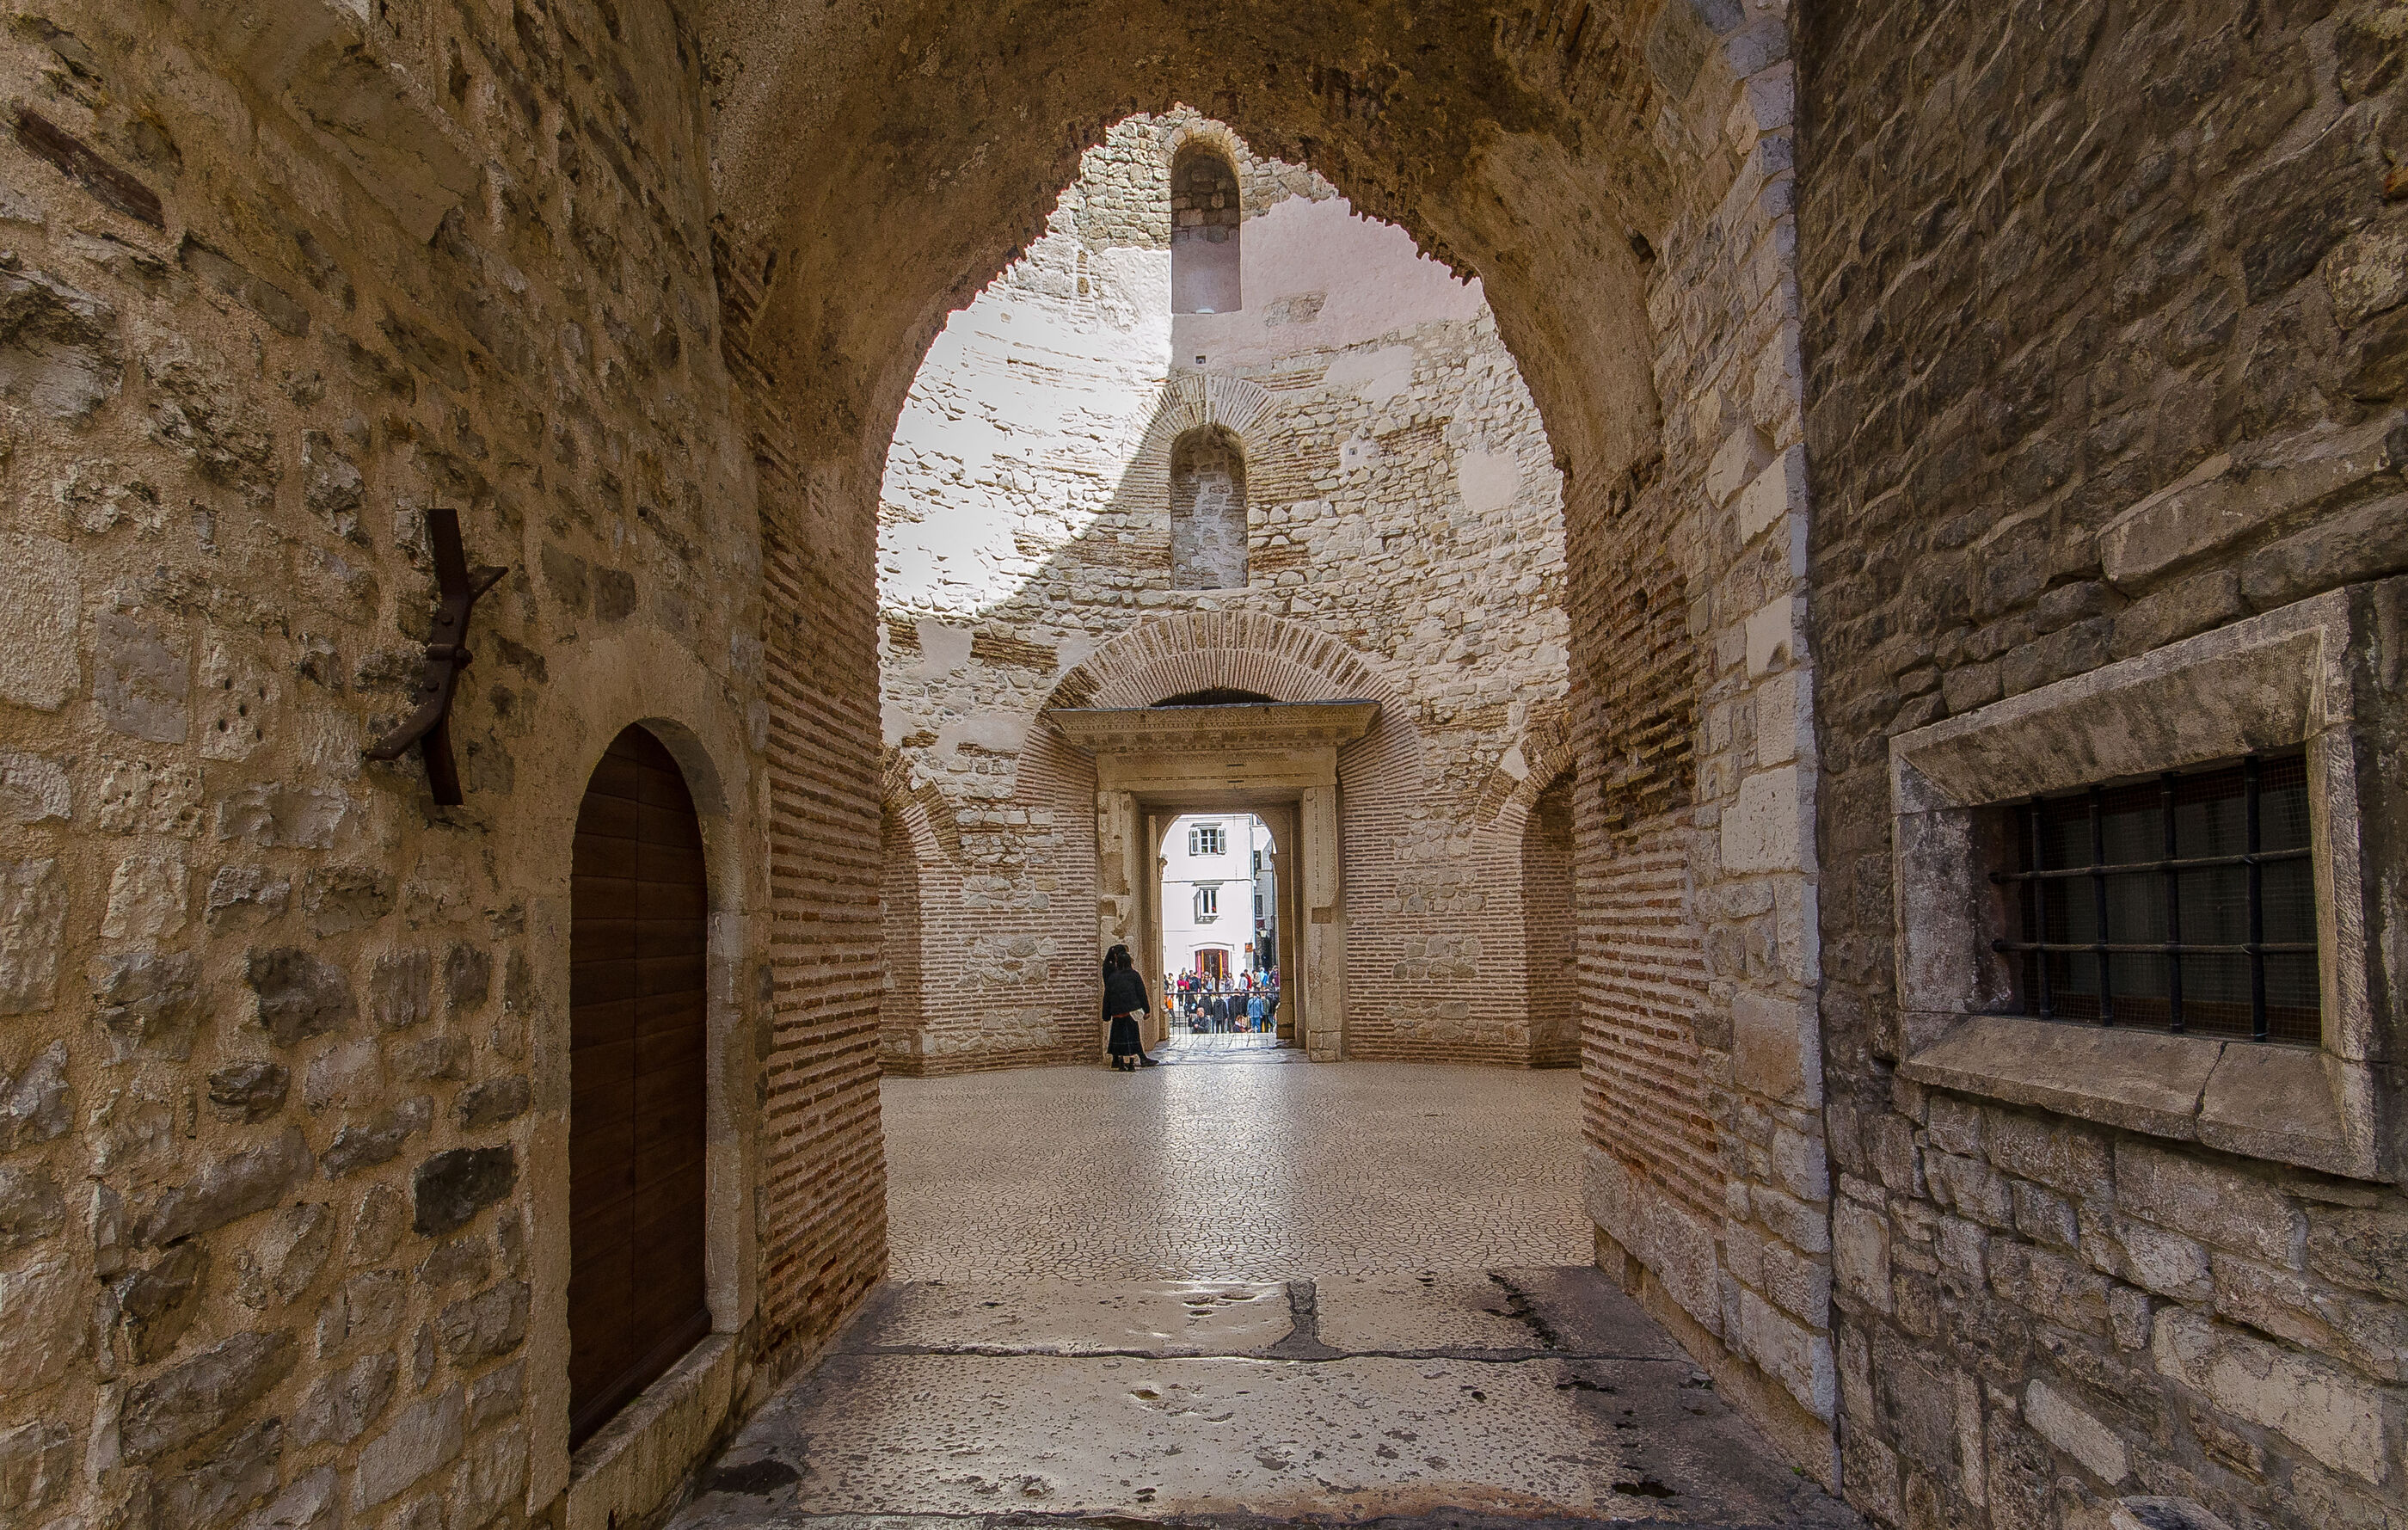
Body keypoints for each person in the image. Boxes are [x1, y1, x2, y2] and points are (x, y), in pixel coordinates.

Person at [1102, 945, 1158, 1070]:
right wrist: (1146, 1010)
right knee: (1132, 1036)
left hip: (1117, 1012)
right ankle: (1135, 1060)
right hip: (1130, 1012)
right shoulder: (1133, 975)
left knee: (1118, 1037)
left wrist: (1106, 1014)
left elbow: (1107, 996)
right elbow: (1142, 993)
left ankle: (1119, 1061)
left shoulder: (1112, 976)